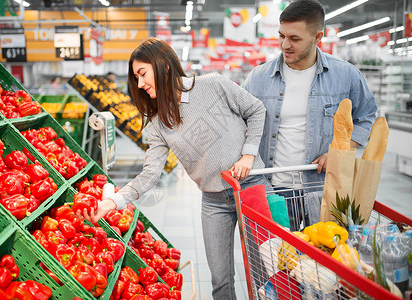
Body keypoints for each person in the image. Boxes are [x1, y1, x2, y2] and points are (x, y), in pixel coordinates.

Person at [79, 37, 270, 299]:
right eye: (136, 78)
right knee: (220, 279)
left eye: (143, 73)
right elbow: (149, 174)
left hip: (251, 188)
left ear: (165, 66)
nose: (140, 84)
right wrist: (112, 202)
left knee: (267, 272)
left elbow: (256, 109)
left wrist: (248, 154)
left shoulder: (213, 84)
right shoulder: (157, 124)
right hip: (214, 200)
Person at [243, 0, 377, 230]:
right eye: (281, 36)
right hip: (275, 189)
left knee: (324, 261)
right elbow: (240, 124)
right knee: (281, 263)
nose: (285, 44)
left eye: (295, 39)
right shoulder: (258, 78)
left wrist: (340, 150)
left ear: (317, 37)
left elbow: (367, 116)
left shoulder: (346, 76)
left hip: (325, 188)